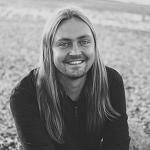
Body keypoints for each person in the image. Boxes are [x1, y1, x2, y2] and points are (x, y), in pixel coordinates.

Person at [10, 7, 130, 150]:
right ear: (49, 50)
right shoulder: (25, 94)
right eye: (64, 43)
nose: (75, 52)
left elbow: (117, 143)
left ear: (95, 46)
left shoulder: (110, 81)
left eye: (84, 42)